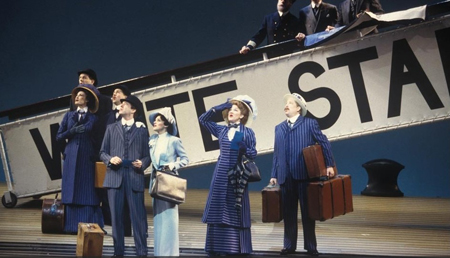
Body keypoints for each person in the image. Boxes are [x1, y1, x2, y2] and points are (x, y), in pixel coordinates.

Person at [269, 93, 335, 256]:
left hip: (304, 174)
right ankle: (289, 245)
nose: (287, 105)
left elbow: (324, 142)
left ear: (299, 108)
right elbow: (277, 153)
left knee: (308, 212)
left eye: (290, 103)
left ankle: (311, 246)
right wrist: (274, 173)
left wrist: (329, 164)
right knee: (288, 213)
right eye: (286, 103)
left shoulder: (310, 124)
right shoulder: (279, 127)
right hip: (286, 176)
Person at [199, 95, 258, 256]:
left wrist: (245, 147)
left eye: (236, 109)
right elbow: (203, 120)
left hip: (238, 175)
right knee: (218, 208)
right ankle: (217, 247)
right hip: (221, 172)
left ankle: (234, 248)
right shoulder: (222, 129)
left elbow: (253, 154)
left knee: (234, 209)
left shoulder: (248, 132)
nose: (231, 112)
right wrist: (218, 108)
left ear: (243, 115)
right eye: (230, 109)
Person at [100, 95, 150, 257]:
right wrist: (110, 159)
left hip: (134, 176)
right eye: (120, 104)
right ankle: (118, 252)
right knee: (116, 218)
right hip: (115, 177)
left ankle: (142, 252)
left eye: (124, 104)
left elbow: (148, 155)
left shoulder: (141, 130)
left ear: (133, 109)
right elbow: (102, 152)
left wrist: (142, 163)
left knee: (138, 217)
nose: (120, 106)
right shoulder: (111, 128)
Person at [56, 84, 104, 234]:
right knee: (71, 188)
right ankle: (70, 225)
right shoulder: (68, 116)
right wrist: (71, 131)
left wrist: (94, 156)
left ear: (87, 100)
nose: (77, 97)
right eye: (76, 96)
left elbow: (98, 139)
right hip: (71, 157)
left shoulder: (94, 118)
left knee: (86, 190)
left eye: (81, 95)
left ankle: (89, 223)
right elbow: (58, 136)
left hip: (86, 157)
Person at [148, 107, 189, 257]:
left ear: (165, 124)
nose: (155, 122)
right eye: (155, 120)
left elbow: (185, 159)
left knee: (169, 218)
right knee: (158, 217)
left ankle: (170, 253)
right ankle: (159, 252)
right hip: (156, 179)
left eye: (158, 120)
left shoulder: (174, 140)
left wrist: (173, 165)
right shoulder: (152, 140)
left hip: (169, 180)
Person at [102, 84, 133, 236]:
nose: (113, 94)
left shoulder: (134, 116)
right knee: (112, 198)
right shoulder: (109, 116)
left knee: (127, 200)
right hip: (111, 163)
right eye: (112, 93)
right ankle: (116, 231)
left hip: (127, 164)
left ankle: (126, 231)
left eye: (117, 92)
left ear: (126, 97)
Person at [239, 0, 305, 55]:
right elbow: (259, 36)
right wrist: (249, 47)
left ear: (290, 3)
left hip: (287, 56)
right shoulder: (268, 19)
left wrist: (301, 36)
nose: (282, 1)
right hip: (271, 57)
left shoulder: (294, 20)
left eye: (286, 0)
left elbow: (300, 36)